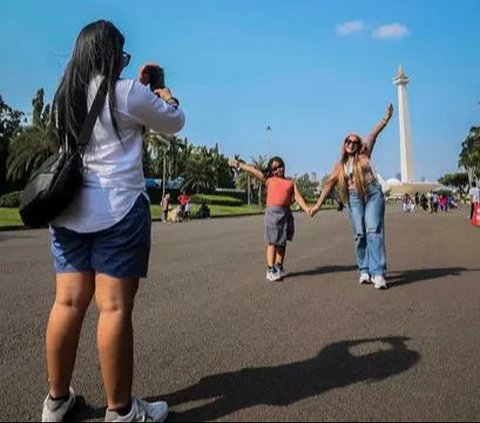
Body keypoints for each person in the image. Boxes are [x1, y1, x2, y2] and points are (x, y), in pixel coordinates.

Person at [42, 20, 185, 423]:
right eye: (121, 53)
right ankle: (120, 411)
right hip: (119, 210)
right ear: (109, 54)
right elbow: (174, 122)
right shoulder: (125, 93)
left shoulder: (63, 96)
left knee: (67, 303)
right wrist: (164, 94)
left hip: (68, 212)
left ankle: (55, 402)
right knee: (114, 309)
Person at [310, 104, 394, 290]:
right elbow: (328, 185)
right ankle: (364, 269)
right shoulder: (339, 166)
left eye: (355, 142)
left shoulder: (364, 154)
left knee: (373, 231)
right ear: (344, 144)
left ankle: (378, 273)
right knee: (359, 234)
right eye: (348, 141)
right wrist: (316, 206)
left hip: (372, 194)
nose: (351, 144)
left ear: (359, 145)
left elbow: (372, 135)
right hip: (354, 197)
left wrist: (385, 119)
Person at [229, 156, 310, 282]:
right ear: (271, 171)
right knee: (272, 242)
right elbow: (253, 170)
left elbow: (298, 197)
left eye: (280, 166)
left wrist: (307, 209)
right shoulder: (269, 180)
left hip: (286, 214)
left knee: (282, 242)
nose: (279, 170)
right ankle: (270, 269)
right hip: (273, 213)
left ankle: (279, 266)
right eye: (275, 168)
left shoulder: (290, 182)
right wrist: (239, 164)